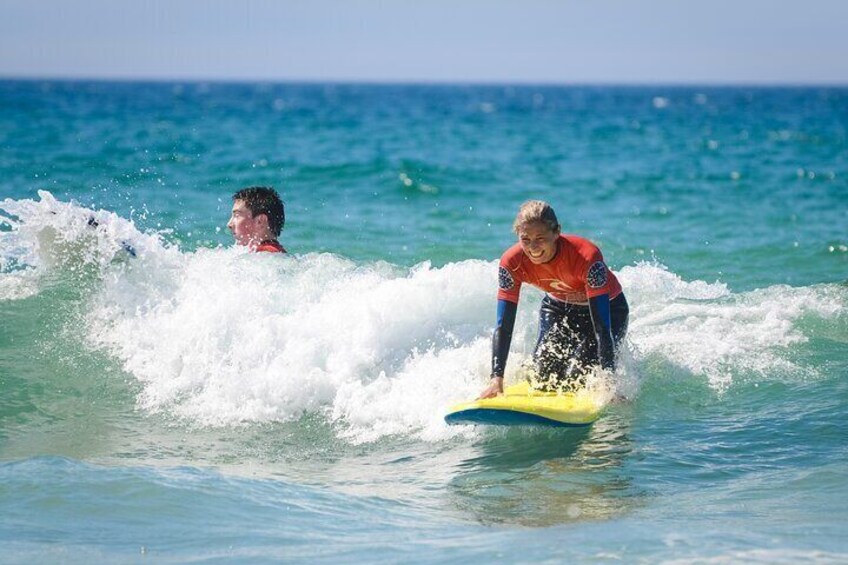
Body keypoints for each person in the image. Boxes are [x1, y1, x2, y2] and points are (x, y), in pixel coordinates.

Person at [478, 200, 628, 399]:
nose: (533, 247)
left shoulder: (586, 257)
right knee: (542, 379)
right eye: (525, 239)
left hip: (608, 310)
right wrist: (497, 378)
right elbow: (503, 325)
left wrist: (609, 383)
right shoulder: (510, 262)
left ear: (557, 232)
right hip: (558, 307)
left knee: (580, 378)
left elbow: (601, 326)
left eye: (540, 238)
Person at [227, 186, 287, 253]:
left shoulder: (267, 253)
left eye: (237, 215)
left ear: (260, 221)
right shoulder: (270, 252)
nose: (229, 224)